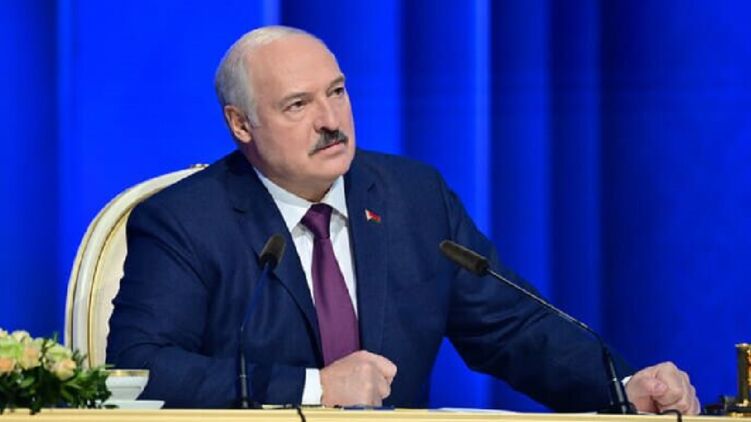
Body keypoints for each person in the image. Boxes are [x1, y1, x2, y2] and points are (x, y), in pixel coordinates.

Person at [107, 25, 699, 414]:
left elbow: (514, 329)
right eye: (298, 105)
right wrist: (315, 389)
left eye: (337, 92)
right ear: (241, 124)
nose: (330, 120)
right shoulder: (184, 221)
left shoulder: (412, 197)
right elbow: (140, 369)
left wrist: (623, 387)